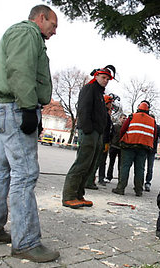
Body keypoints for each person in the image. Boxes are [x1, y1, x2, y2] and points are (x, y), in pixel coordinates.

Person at [0, 5, 59, 263]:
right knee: (25, 173)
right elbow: (19, 70)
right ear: (41, 18)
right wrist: (30, 107)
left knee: (2, 170)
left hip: (10, 108)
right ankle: (26, 241)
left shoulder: (27, 34)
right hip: (17, 107)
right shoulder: (27, 33)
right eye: (53, 26)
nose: (54, 32)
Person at [62, 65, 115, 208]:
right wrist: (87, 129)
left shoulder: (99, 93)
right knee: (82, 163)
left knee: (90, 165)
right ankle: (69, 196)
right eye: (103, 78)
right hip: (89, 132)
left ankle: (79, 194)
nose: (105, 81)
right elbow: (83, 109)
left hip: (97, 133)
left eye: (108, 79)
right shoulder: (89, 89)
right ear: (96, 76)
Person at [112, 100, 156, 196]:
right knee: (140, 169)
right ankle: (138, 190)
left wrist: (121, 140)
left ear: (138, 108)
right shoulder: (152, 120)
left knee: (125, 167)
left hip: (129, 145)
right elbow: (154, 134)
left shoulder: (132, 116)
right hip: (143, 148)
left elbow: (123, 129)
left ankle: (120, 188)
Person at [85, 94, 114, 189]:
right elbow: (105, 130)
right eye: (110, 103)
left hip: (101, 140)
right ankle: (89, 181)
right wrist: (106, 142)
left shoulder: (102, 113)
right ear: (107, 103)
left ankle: (90, 180)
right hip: (101, 141)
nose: (111, 106)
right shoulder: (104, 114)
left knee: (97, 162)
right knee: (96, 162)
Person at [105, 113, 127, 183]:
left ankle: (120, 178)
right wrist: (110, 143)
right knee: (111, 163)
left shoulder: (126, 128)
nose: (124, 120)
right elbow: (111, 135)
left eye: (125, 119)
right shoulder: (115, 126)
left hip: (121, 147)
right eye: (123, 118)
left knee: (120, 164)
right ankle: (109, 177)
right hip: (114, 146)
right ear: (120, 118)